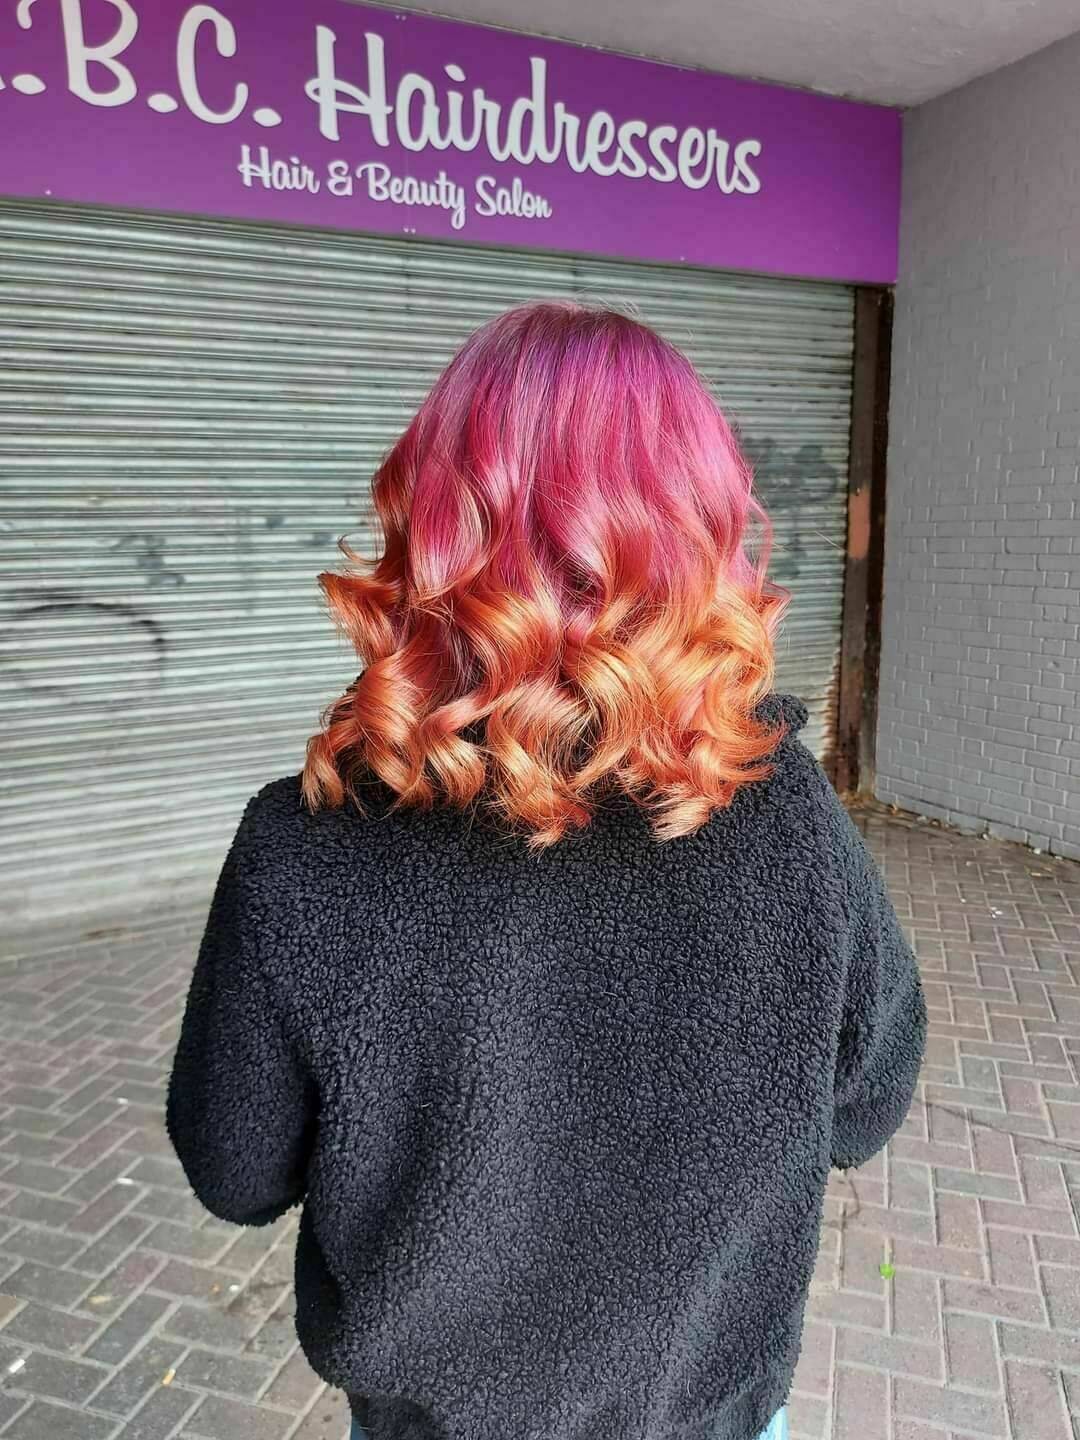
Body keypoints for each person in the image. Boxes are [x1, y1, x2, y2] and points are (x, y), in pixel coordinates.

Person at [166, 301, 926, 1440]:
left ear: (431, 527)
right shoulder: (785, 817)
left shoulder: (306, 849)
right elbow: (865, 1105)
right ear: (702, 531)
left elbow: (236, 1171)